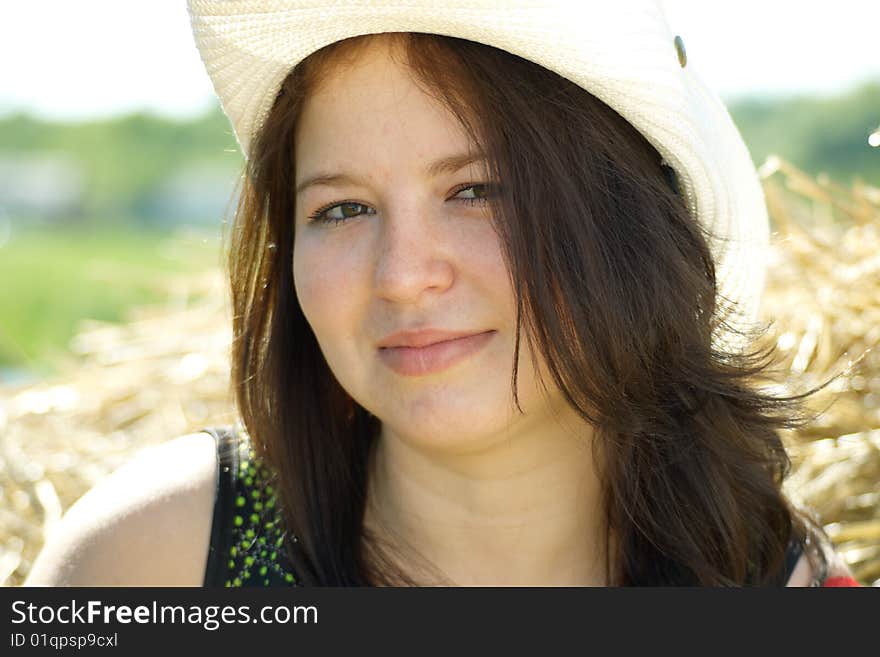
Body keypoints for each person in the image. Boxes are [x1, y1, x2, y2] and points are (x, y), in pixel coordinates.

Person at [25, 1, 861, 587]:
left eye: (476, 190)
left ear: (624, 219)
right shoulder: (159, 561)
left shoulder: (784, 593)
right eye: (342, 208)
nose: (402, 273)